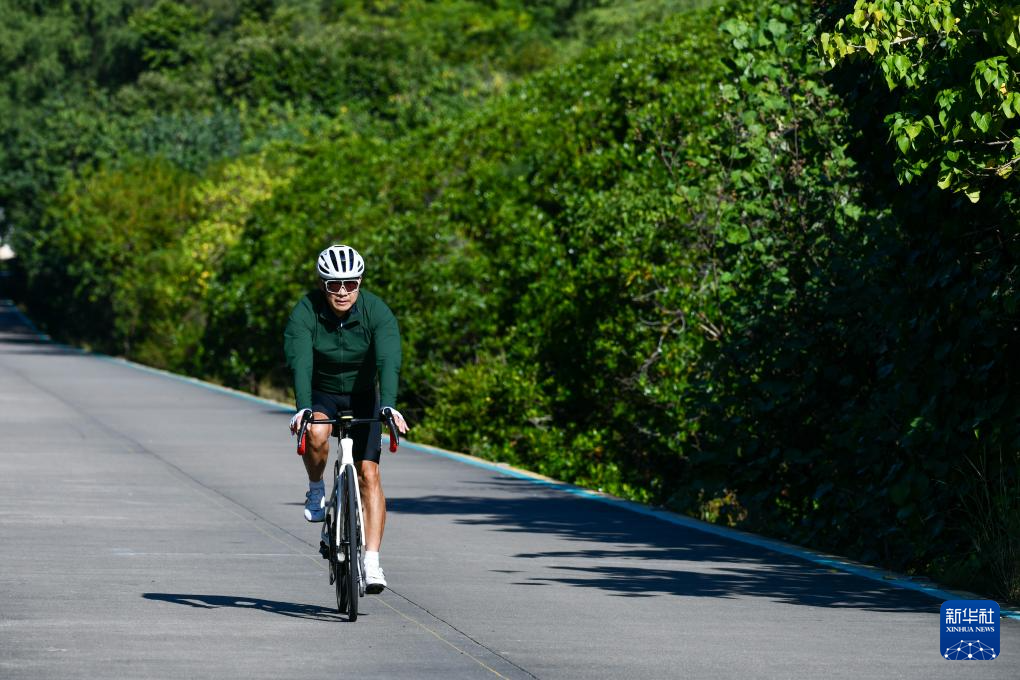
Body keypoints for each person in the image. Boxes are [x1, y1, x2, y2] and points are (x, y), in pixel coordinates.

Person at [284, 244, 408, 593]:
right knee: (319, 435)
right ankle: (315, 488)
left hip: (364, 395)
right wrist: (304, 407)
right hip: (322, 391)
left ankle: (371, 562)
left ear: (360, 282)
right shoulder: (306, 310)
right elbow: (300, 360)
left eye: (350, 284)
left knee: (370, 474)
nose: (342, 292)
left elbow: (389, 359)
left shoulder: (376, 311)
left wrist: (390, 406)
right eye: (334, 284)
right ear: (323, 284)